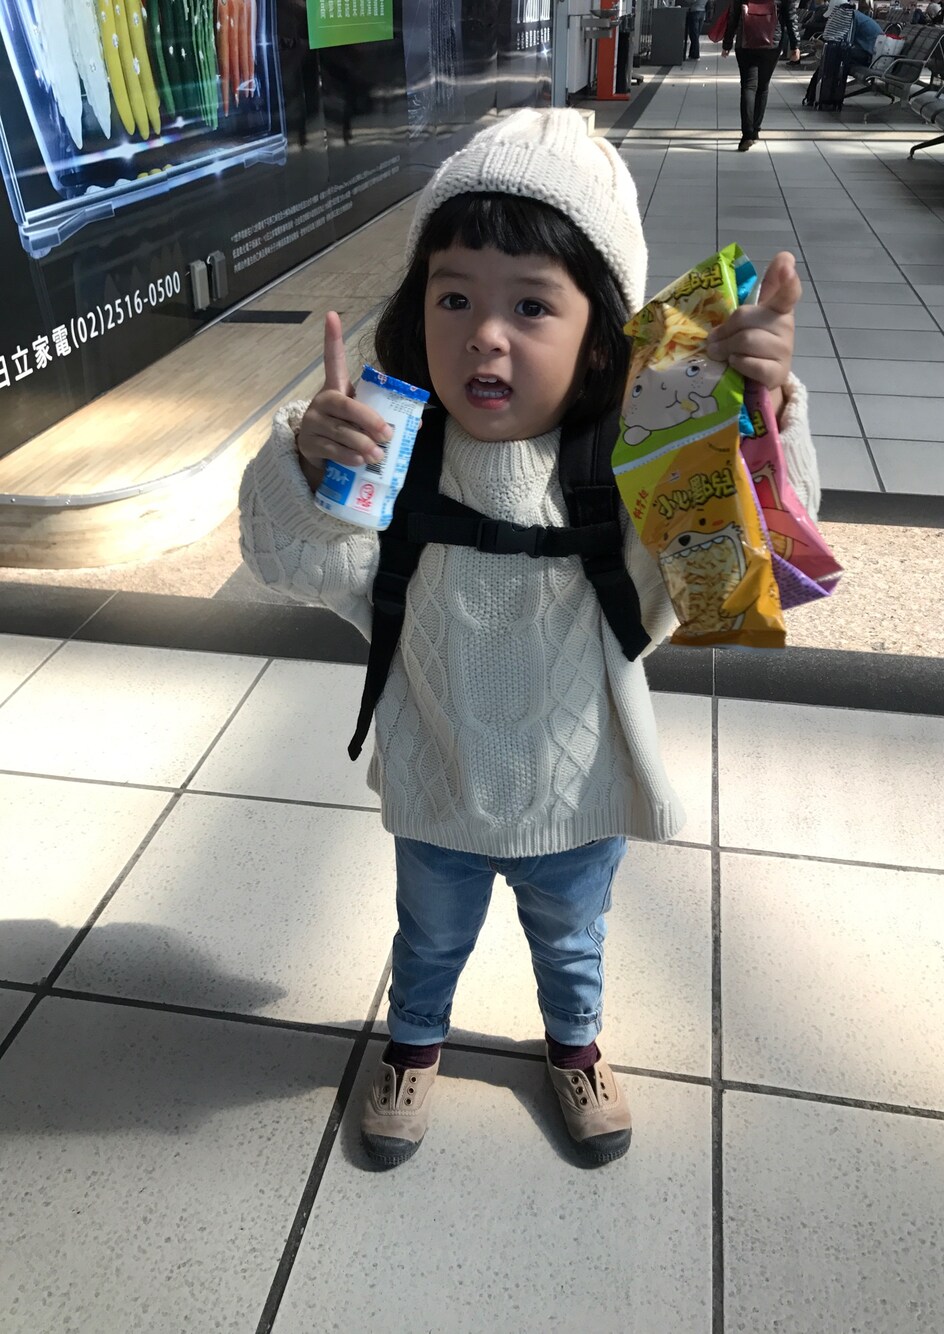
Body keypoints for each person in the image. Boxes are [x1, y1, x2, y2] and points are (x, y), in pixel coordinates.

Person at [238, 109, 819, 1169]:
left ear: (603, 334)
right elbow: (290, 561)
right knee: (427, 938)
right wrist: (308, 470)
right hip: (439, 784)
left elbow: (749, 566)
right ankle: (414, 1043)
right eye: (453, 295)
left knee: (571, 937)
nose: (484, 335)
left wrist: (759, 418)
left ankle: (575, 1045)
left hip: (576, 793)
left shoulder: (634, 464)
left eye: (532, 305)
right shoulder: (400, 457)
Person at [723, 0, 802, 149]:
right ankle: (755, 130)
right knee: (763, 86)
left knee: (748, 86)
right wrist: (795, 45)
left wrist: (727, 43)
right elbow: (791, 17)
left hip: (746, 42)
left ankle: (747, 134)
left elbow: (734, 16)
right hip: (771, 43)